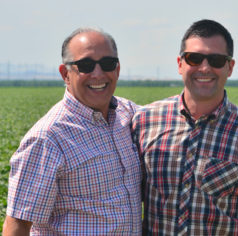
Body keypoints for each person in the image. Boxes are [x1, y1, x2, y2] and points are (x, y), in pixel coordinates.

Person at [132, 19, 238, 235]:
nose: (204, 68)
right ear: (180, 64)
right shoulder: (144, 121)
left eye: (216, 60)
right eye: (194, 58)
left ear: (230, 67)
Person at [3, 28, 142, 235]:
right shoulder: (48, 137)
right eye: (85, 65)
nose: (98, 74)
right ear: (65, 73)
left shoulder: (128, 114)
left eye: (107, 64)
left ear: (118, 69)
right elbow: (18, 225)